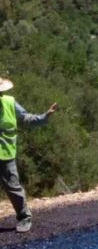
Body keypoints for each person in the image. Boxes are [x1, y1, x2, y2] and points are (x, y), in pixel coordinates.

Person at [0, 76, 57, 233]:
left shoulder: (9, 102)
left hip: (5, 152)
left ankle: (24, 217)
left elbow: (25, 117)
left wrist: (43, 117)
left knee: (12, 186)